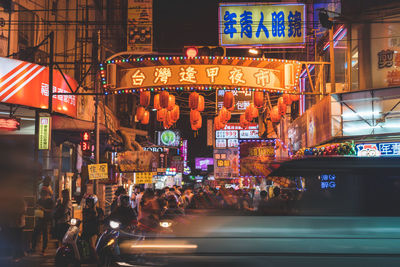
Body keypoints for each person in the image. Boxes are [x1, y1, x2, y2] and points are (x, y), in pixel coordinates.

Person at [30, 189, 54, 255]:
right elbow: (35, 206)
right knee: (35, 233)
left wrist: (44, 209)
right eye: (41, 195)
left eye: (43, 195)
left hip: (46, 220)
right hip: (39, 219)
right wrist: (36, 207)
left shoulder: (50, 201)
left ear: (46, 194)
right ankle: (33, 248)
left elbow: (51, 210)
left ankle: (44, 249)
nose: (42, 196)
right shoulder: (39, 200)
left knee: (45, 235)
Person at [82, 194, 104, 259]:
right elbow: (85, 218)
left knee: (92, 245)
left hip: (94, 230)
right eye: (88, 202)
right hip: (87, 230)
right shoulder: (86, 210)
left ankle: (98, 260)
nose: (89, 203)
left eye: (91, 202)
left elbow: (101, 219)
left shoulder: (99, 210)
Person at [8, 195, 26, 262]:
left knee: (16, 239)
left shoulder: (20, 201)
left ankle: (17, 255)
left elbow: (22, 210)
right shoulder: (20, 201)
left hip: (17, 223)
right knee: (17, 239)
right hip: (16, 223)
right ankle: (19, 253)